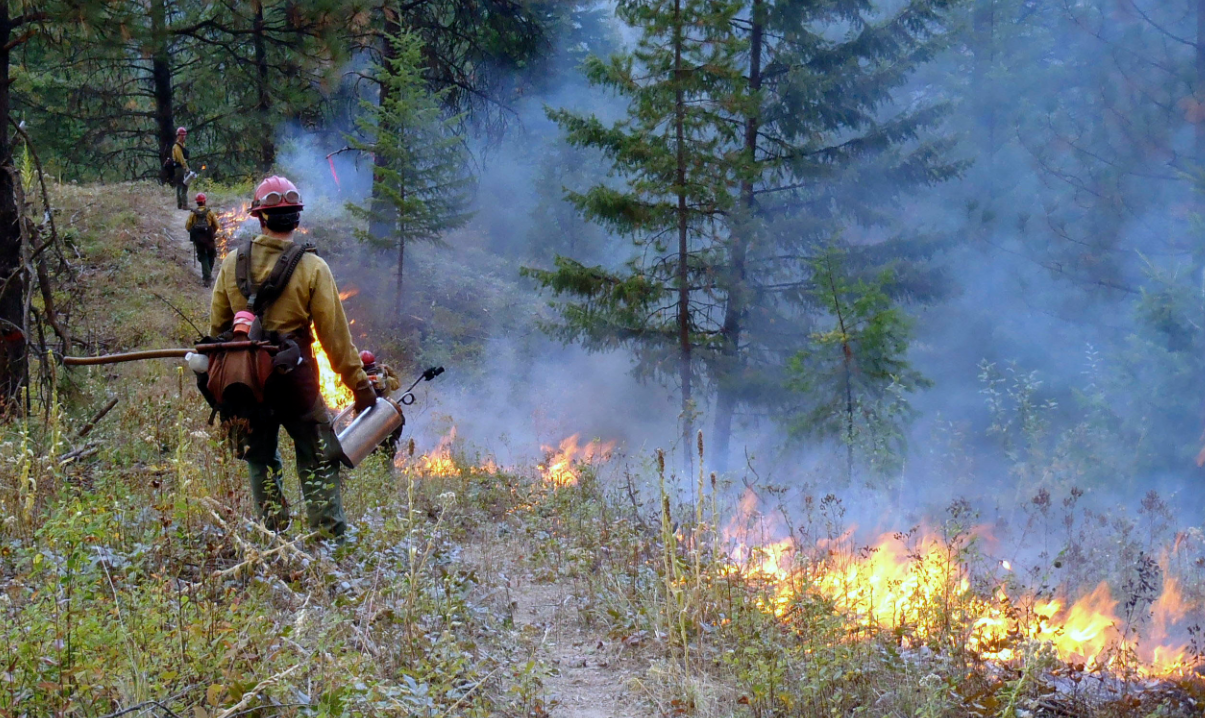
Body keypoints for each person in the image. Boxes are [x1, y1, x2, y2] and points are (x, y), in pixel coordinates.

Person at [207, 175, 375, 539]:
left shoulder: (231, 264)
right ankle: (328, 541)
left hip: (247, 382)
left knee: (260, 461)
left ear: (259, 217)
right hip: (296, 382)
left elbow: (219, 329)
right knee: (318, 458)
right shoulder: (313, 268)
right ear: (296, 219)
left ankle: (273, 539)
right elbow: (336, 340)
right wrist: (359, 386)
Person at [185, 192, 219, 286]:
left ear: (197, 202)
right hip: (209, 238)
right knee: (211, 255)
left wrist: (194, 233)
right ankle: (208, 276)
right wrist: (212, 233)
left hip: (198, 239)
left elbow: (188, 227)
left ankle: (207, 276)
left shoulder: (193, 214)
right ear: (204, 201)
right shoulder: (210, 213)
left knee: (203, 256)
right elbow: (217, 225)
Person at [171, 127, 190, 210]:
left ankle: (180, 204)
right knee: (184, 185)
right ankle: (184, 205)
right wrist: (186, 168)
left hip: (179, 168)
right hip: (180, 168)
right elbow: (181, 159)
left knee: (179, 186)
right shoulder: (177, 147)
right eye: (181, 135)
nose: (183, 137)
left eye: (184, 135)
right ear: (178, 136)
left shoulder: (182, 145)